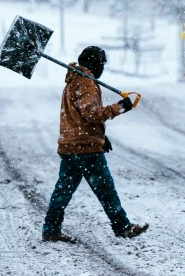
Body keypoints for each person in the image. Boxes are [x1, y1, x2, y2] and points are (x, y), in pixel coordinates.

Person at [41, 46, 148, 242]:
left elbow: (78, 117)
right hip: (85, 148)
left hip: (71, 145)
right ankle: (123, 226)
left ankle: (51, 228)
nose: (103, 68)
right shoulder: (86, 83)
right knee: (105, 189)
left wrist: (100, 136)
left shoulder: (73, 80)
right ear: (96, 64)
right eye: (102, 64)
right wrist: (120, 107)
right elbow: (91, 114)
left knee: (63, 191)